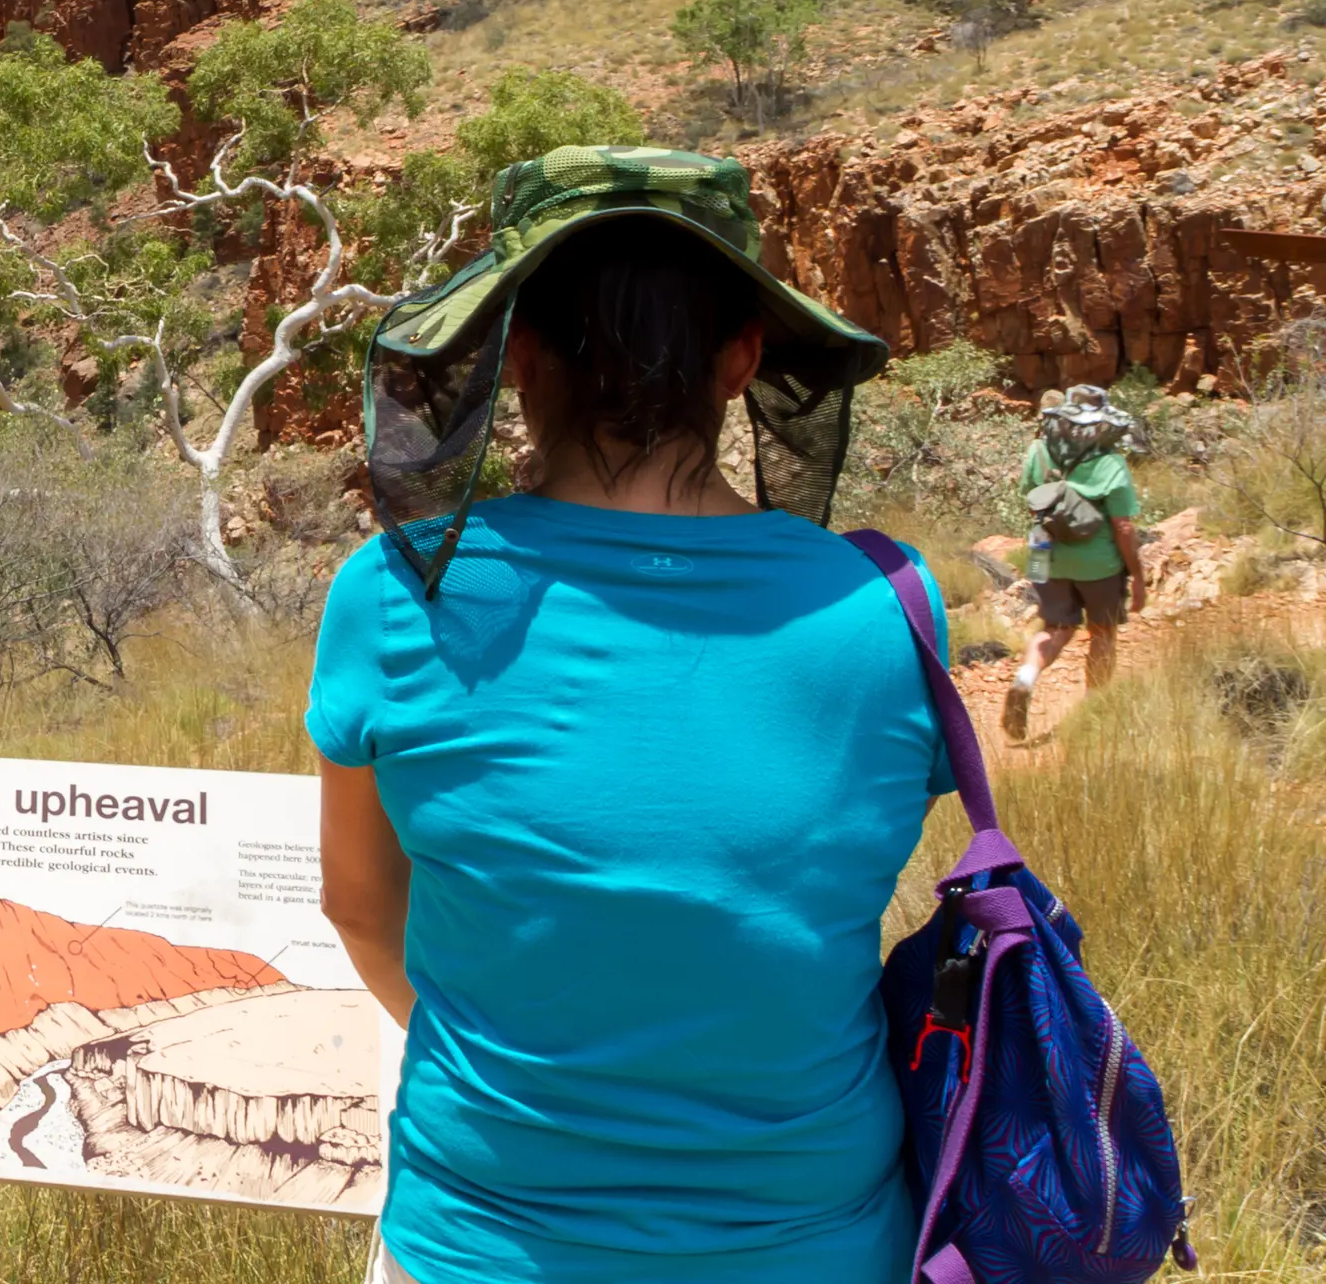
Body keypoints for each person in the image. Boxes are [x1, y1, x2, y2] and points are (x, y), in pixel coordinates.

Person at [313, 147, 950, 1284]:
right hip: (817, 1247)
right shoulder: (888, 608)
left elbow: (361, 909)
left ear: (514, 355)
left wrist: (534, 1073)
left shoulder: (397, 591)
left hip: (483, 1243)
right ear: (746, 356)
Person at [1003, 382, 1146, 742]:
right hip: (1099, 564)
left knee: (1053, 629)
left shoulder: (1038, 450)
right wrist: (1138, 575)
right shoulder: (1111, 463)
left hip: (1046, 556)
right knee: (1102, 633)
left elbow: (1030, 497)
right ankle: (1094, 709)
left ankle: (1024, 680)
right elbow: (1124, 526)